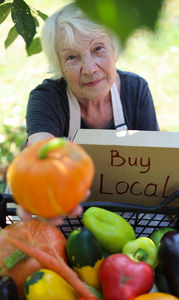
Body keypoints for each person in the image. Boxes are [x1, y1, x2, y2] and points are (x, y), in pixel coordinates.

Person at [20, 3, 159, 223]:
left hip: (125, 216)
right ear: (60, 67)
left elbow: (155, 161)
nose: (90, 68)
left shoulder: (136, 90)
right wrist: (36, 183)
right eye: (72, 57)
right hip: (64, 211)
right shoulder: (47, 98)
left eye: (98, 48)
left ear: (114, 49)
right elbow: (40, 148)